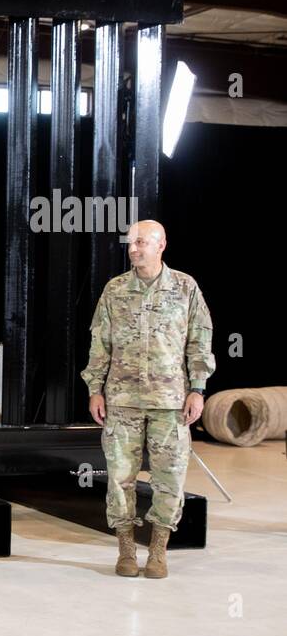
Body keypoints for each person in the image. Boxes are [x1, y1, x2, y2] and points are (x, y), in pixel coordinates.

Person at [81, 219, 214, 579]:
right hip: (122, 400)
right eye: (130, 242)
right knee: (120, 478)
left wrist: (197, 389)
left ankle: (158, 551)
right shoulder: (115, 290)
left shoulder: (185, 287)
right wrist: (95, 388)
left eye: (141, 241)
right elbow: (100, 343)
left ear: (161, 244)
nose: (133, 248)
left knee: (169, 478)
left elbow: (199, 341)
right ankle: (125, 549)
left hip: (170, 403)